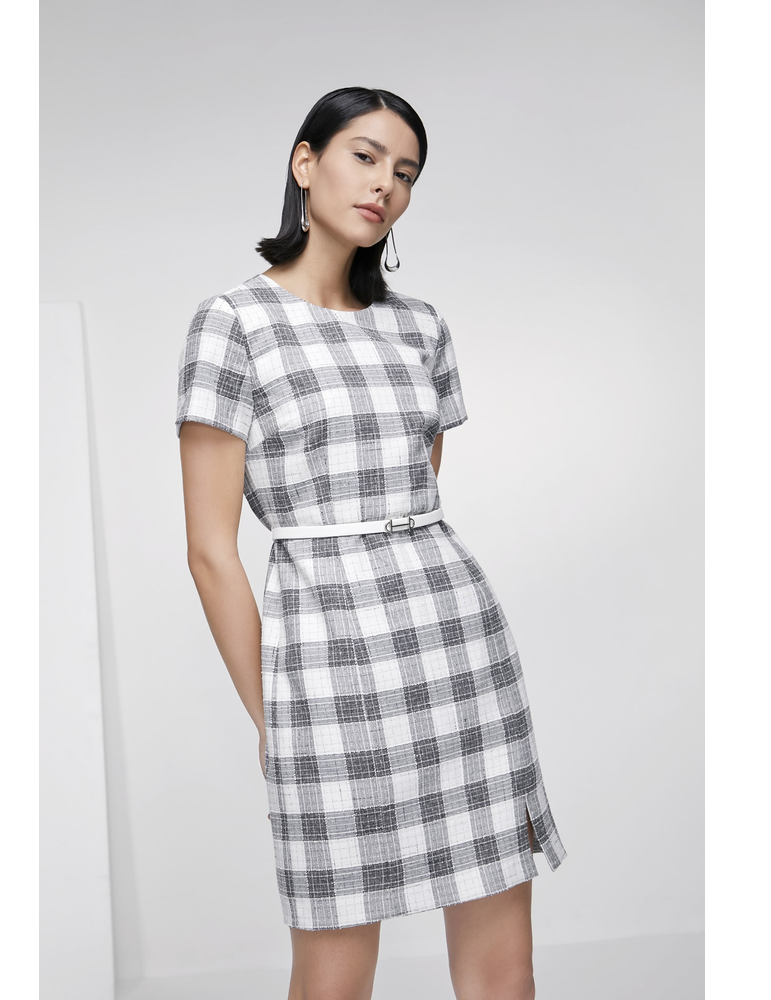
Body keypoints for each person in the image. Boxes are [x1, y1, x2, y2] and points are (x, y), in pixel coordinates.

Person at [176, 86, 567, 1000]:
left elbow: (416, 498)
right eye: (364, 156)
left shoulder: (419, 326)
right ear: (305, 162)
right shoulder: (232, 323)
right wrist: (272, 715)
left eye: (406, 172)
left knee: (504, 962)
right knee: (334, 967)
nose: (384, 184)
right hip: (324, 659)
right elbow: (210, 551)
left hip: (457, 644)